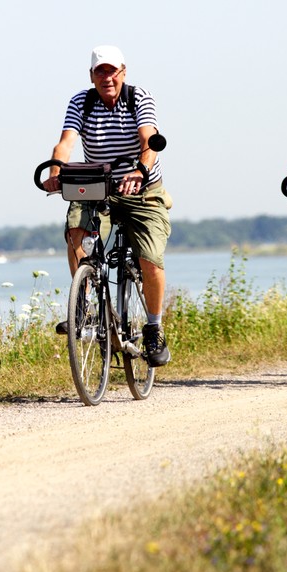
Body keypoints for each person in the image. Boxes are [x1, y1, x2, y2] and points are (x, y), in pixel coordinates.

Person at [42, 45, 173, 367]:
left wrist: (139, 171)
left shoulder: (138, 97)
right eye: (100, 72)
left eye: (112, 71)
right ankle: (84, 307)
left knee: (150, 259)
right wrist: (55, 171)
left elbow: (149, 139)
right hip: (98, 187)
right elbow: (66, 143)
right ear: (91, 76)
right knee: (76, 231)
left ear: (123, 73)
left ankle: (154, 327)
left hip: (141, 188)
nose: (107, 78)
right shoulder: (81, 102)